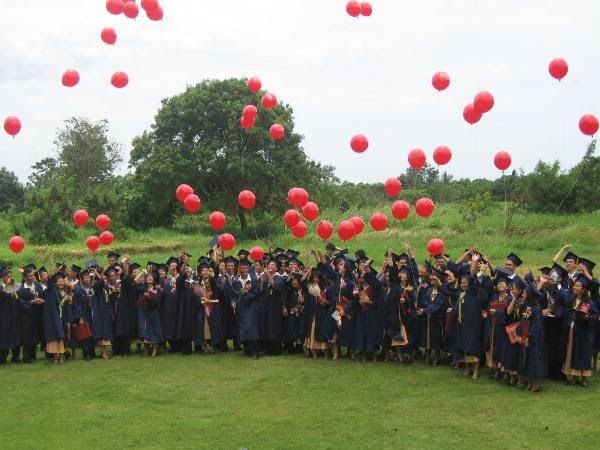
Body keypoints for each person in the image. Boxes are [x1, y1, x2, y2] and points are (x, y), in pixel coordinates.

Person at [16, 267, 46, 363]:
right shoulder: (21, 289)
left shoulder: (37, 285)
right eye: (31, 276)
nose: (33, 277)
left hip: (37, 315)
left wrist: (42, 300)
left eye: (33, 275)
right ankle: (26, 357)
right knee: (27, 336)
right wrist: (32, 302)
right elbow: (20, 303)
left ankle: (33, 355)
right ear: (25, 277)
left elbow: (42, 295)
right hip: (27, 316)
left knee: (35, 334)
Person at [234, 259, 260, 358]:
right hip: (241, 308)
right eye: (242, 268)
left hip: (251, 307)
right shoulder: (236, 281)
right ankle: (248, 350)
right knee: (244, 328)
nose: (244, 269)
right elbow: (235, 295)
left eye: (246, 267)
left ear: (249, 268)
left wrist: (246, 293)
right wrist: (239, 295)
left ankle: (255, 352)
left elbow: (255, 293)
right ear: (239, 269)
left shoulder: (253, 280)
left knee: (251, 328)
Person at [134, 270, 163, 357]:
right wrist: (141, 273)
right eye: (147, 277)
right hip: (144, 312)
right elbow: (135, 281)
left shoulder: (157, 289)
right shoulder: (142, 288)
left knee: (154, 329)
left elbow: (158, 301)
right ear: (145, 279)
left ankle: (154, 348)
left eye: (151, 277)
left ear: (154, 279)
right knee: (145, 329)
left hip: (153, 312)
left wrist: (150, 298)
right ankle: (147, 348)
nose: (149, 278)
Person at [43, 272, 68, 365]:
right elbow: (49, 286)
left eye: (62, 281)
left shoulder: (60, 291)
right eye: (59, 281)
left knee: (60, 336)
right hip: (53, 317)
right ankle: (55, 357)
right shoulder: (52, 290)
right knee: (54, 335)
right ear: (55, 283)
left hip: (60, 317)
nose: (61, 283)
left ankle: (61, 356)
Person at [0, 268, 20, 364]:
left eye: (11, 276)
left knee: (15, 336)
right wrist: (7, 286)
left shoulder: (14, 288)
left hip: (14, 316)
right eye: (8, 276)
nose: (10, 278)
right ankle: (2, 358)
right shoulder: (1, 288)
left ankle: (15, 357)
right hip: (4, 317)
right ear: (3, 278)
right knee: (4, 337)